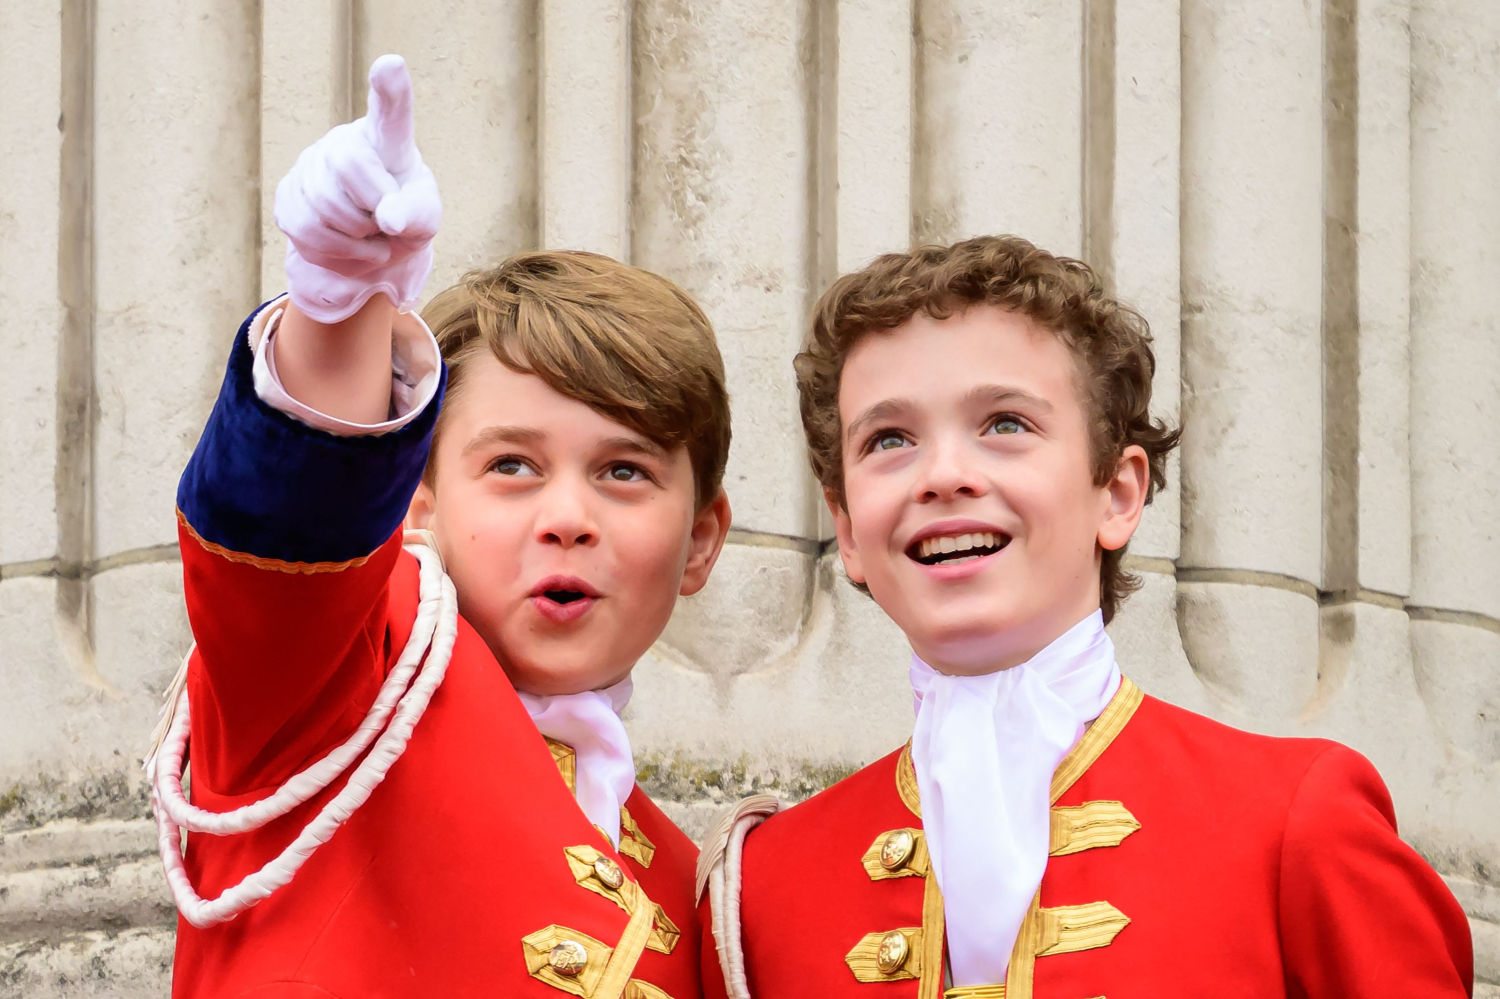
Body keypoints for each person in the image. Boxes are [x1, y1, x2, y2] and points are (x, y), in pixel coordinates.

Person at [697, 235, 1473, 998]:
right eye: (889, 438)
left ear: (1118, 494)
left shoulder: (1296, 821)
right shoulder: (762, 887)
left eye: (1005, 423)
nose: (943, 475)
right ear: (847, 527)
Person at [150, 54, 730, 998]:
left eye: (624, 471)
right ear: (416, 503)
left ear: (700, 539)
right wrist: (338, 309)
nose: (568, 519)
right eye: (512, 466)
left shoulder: (695, 890)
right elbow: (295, 527)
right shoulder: (325, 683)